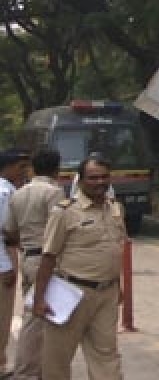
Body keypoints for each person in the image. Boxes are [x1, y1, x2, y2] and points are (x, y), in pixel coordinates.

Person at [32, 154, 126, 380]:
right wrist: (39, 299)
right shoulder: (64, 212)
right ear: (81, 180)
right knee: (57, 358)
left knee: (106, 354)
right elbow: (48, 257)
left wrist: (118, 286)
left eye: (104, 177)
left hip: (107, 294)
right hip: (72, 294)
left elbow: (114, 251)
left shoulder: (115, 209)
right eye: (93, 178)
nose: (100, 182)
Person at [3, 149, 64, 380]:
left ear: (33, 168)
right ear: (56, 169)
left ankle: (35, 368)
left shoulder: (18, 194)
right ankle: (28, 371)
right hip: (46, 260)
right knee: (37, 317)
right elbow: (58, 228)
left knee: (34, 314)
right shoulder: (54, 193)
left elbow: (9, 231)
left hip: (28, 256)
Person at [0, 150, 28, 376]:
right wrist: (5, 265)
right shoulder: (4, 192)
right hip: (2, 259)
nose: (24, 172)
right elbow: (3, 232)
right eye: (21, 166)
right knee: (2, 314)